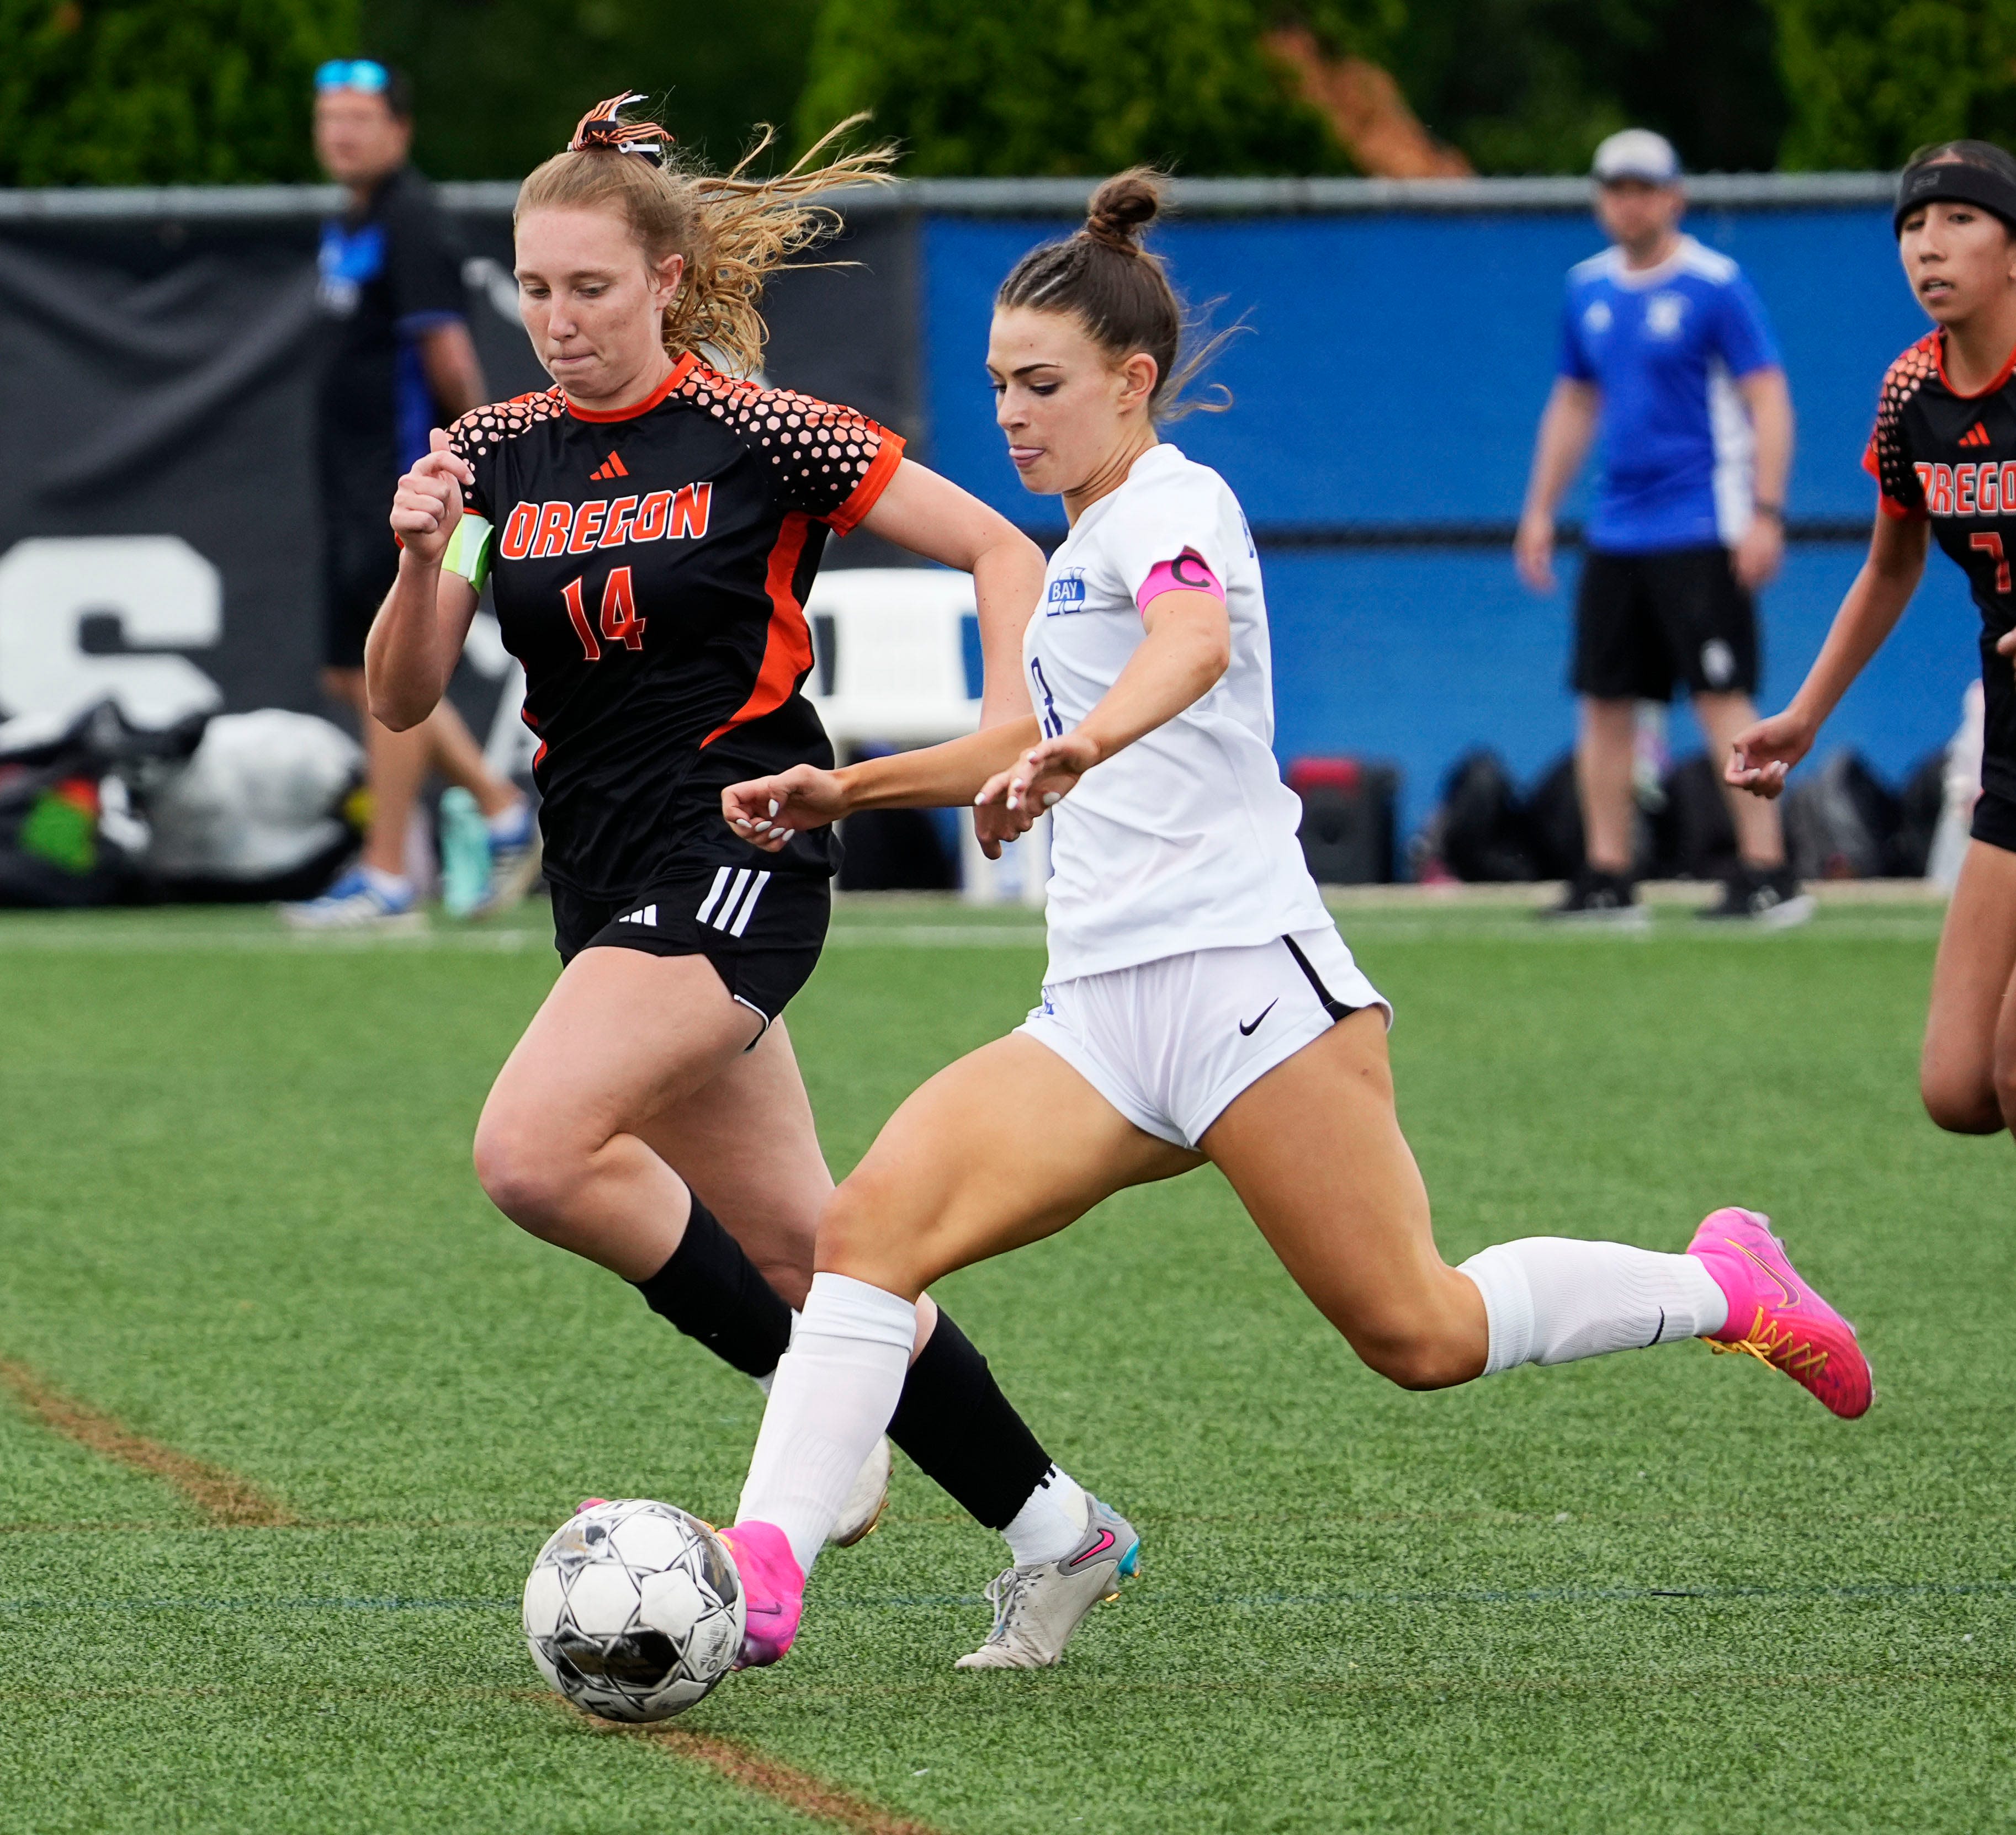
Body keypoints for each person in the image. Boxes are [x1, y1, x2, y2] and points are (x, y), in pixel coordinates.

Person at [710, 171, 1873, 1676]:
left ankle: (1724, 1279)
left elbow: (1188, 646)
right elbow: (1028, 734)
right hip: (1099, 1017)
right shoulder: (1074, 553)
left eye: (1042, 383)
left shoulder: (1175, 505)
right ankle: (766, 1564)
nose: (1010, 411)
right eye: (997, 383)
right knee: (864, 1232)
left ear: (1132, 383)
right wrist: (841, 790)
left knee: (1418, 1332)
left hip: (1250, 990)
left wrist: (1082, 746)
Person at [373, 93, 1118, 1657]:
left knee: (531, 1148)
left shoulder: (764, 430)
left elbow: (1003, 550)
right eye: (533, 287)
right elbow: (400, 695)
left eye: (589, 287)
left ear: (663, 278)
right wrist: (416, 551)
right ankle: (1060, 1526)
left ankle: (806, 1408)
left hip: (741, 851)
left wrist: (1006, 728)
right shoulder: (491, 454)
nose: (558, 320)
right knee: (825, 1253)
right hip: (601, 876)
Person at [1730, 141, 2016, 1142]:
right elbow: (1892, 567)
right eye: (1911, 225)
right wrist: (1805, 717)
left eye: (1960, 220)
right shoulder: (1910, 395)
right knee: (1961, 1085)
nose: (1929, 246)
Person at [1515, 128, 1807, 926]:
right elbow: (1575, 403)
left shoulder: (1716, 285)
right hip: (1617, 531)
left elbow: (1768, 398)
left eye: (1644, 187)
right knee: (1605, 701)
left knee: (1721, 695)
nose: (1628, 201)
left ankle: (1766, 870)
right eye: (1615, 187)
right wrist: (1541, 508)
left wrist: (1767, 512)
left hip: (1703, 525)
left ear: (1674, 197)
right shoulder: (1587, 290)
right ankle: (1609, 874)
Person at [287, 58, 536, 930]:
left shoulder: (412, 218)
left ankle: (389, 871)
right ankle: (496, 806)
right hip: (352, 482)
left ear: (400, 128)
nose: (341, 133)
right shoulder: (354, 217)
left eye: (359, 117)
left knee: (375, 669)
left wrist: (477, 464)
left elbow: (450, 357)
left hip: (401, 486)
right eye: (329, 117)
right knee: (351, 675)